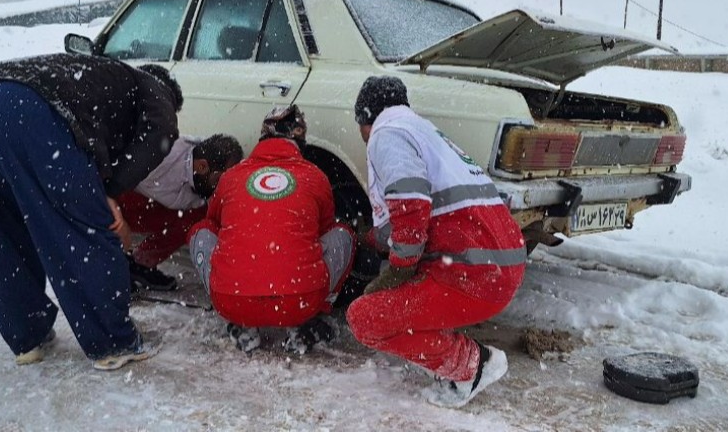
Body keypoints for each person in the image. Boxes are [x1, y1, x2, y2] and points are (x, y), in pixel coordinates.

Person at [0, 54, 182, 371]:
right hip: (28, 109)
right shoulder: (153, 86)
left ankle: (28, 336)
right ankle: (114, 342)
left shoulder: (100, 77)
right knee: (86, 231)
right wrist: (109, 192)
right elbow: (160, 138)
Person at [345, 76, 527, 408]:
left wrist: (398, 270)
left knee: (365, 317)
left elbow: (411, 209)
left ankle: (473, 365)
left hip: (476, 276)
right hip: (500, 267)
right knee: (399, 301)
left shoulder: (387, 134)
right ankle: (466, 358)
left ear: (364, 119)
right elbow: (418, 212)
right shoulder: (424, 132)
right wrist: (373, 238)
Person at [188, 104, 355, 354]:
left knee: (199, 231)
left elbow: (213, 225)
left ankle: (242, 324)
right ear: (299, 139)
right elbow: (324, 230)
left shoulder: (232, 176)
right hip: (301, 300)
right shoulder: (315, 175)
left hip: (231, 299)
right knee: (344, 233)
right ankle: (309, 321)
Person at [118, 133, 243, 291]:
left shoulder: (201, 174)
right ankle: (114, 267)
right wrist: (117, 219)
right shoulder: (161, 156)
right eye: (217, 181)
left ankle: (139, 264)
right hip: (118, 202)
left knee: (198, 217)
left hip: (153, 204)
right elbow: (104, 178)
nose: (218, 187)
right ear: (202, 166)